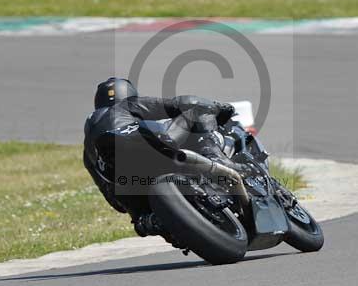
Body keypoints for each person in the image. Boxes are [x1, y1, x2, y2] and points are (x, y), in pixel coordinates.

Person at [83, 77, 246, 224]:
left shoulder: (88, 149)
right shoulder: (126, 105)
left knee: (138, 208)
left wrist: (136, 213)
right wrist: (220, 108)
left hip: (127, 187)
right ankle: (216, 157)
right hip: (151, 150)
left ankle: (150, 219)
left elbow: (108, 193)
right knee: (195, 112)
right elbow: (182, 103)